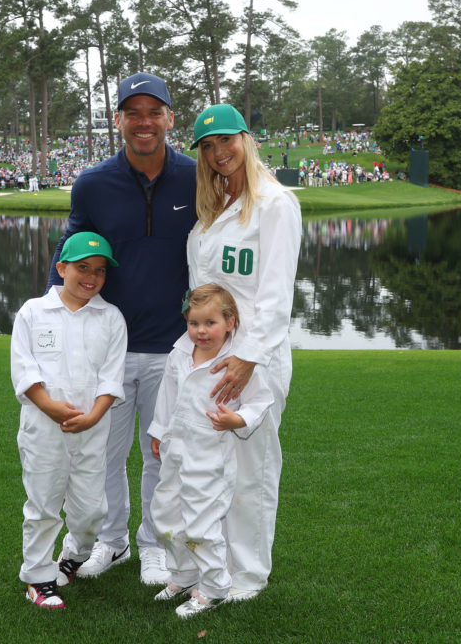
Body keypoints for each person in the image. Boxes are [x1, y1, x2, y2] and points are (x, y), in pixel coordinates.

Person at [47, 72, 197, 586]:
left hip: (174, 345)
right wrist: (53, 316)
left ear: (170, 119)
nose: (144, 122)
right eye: (132, 112)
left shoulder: (195, 178)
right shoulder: (92, 183)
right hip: (107, 346)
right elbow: (69, 254)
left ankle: (154, 544)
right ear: (118, 121)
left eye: (154, 112)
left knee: (161, 452)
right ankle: (113, 542)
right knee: (106, 456)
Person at [186, 104, 302, 601]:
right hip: (213, 354)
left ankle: (249, 575)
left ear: (247, 139)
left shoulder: (274, 203)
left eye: (226, 141)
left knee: (252, 467)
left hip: (257, 358)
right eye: (208, 147)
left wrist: (249, 356)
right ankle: (212, 565)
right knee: (212, 466)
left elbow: (277, 295)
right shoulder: (212, 211)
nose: (219, 153)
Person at [10, 231, 128, 609]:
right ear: (61, 268)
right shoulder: (33, 312)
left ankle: (74, 556)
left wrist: (94, 415)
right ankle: (38, 577)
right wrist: (49, 405)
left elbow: (112, 376)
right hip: (43, 429)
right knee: (43, 504)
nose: (91, 276)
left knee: (92, 508)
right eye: (82, 267)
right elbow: (24, 370)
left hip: (93, 430)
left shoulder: (111, 318)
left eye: (99, 270)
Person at [148, 284, 274, 618]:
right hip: (177, 447)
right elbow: (167, 394)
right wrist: (160, 431)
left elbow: (262, 400)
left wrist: (238, 418)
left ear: (230, 322)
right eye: (194, 323)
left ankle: (215, 586)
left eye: (210, 323)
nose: (201, 332)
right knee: (165, 514)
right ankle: (184, 574)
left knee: (202, 522)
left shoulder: (238, 362)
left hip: (210, 454)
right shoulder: (179, 353)